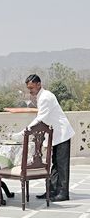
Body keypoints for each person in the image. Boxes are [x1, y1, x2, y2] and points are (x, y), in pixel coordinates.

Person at [14, 74, 75, 202]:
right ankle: (51, 191)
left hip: (62, 133)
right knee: (55, 164)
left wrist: (24, 131)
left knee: (61, 165)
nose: (30, 91)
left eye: (31, 88)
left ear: (38, 84)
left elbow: (40, 119)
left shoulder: (45, 97)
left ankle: (63, 194)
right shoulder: (42, 96)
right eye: (28, 88)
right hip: (56, 135)